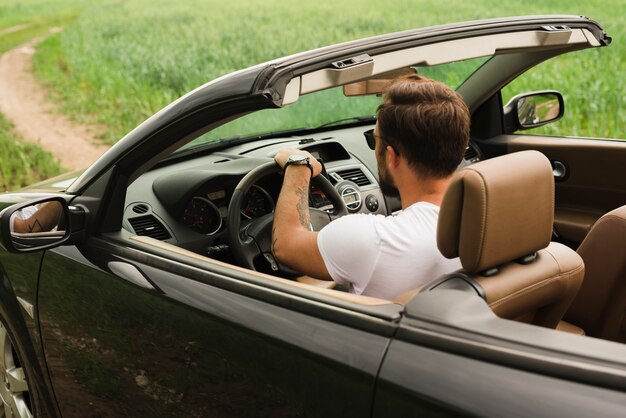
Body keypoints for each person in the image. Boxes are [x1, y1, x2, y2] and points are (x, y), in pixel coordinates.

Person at [271, 74, 470, 300]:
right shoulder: (487, 219)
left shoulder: (374, 239)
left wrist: (299, 165)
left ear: (392, 156)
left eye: (375, 140)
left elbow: (285, 246)